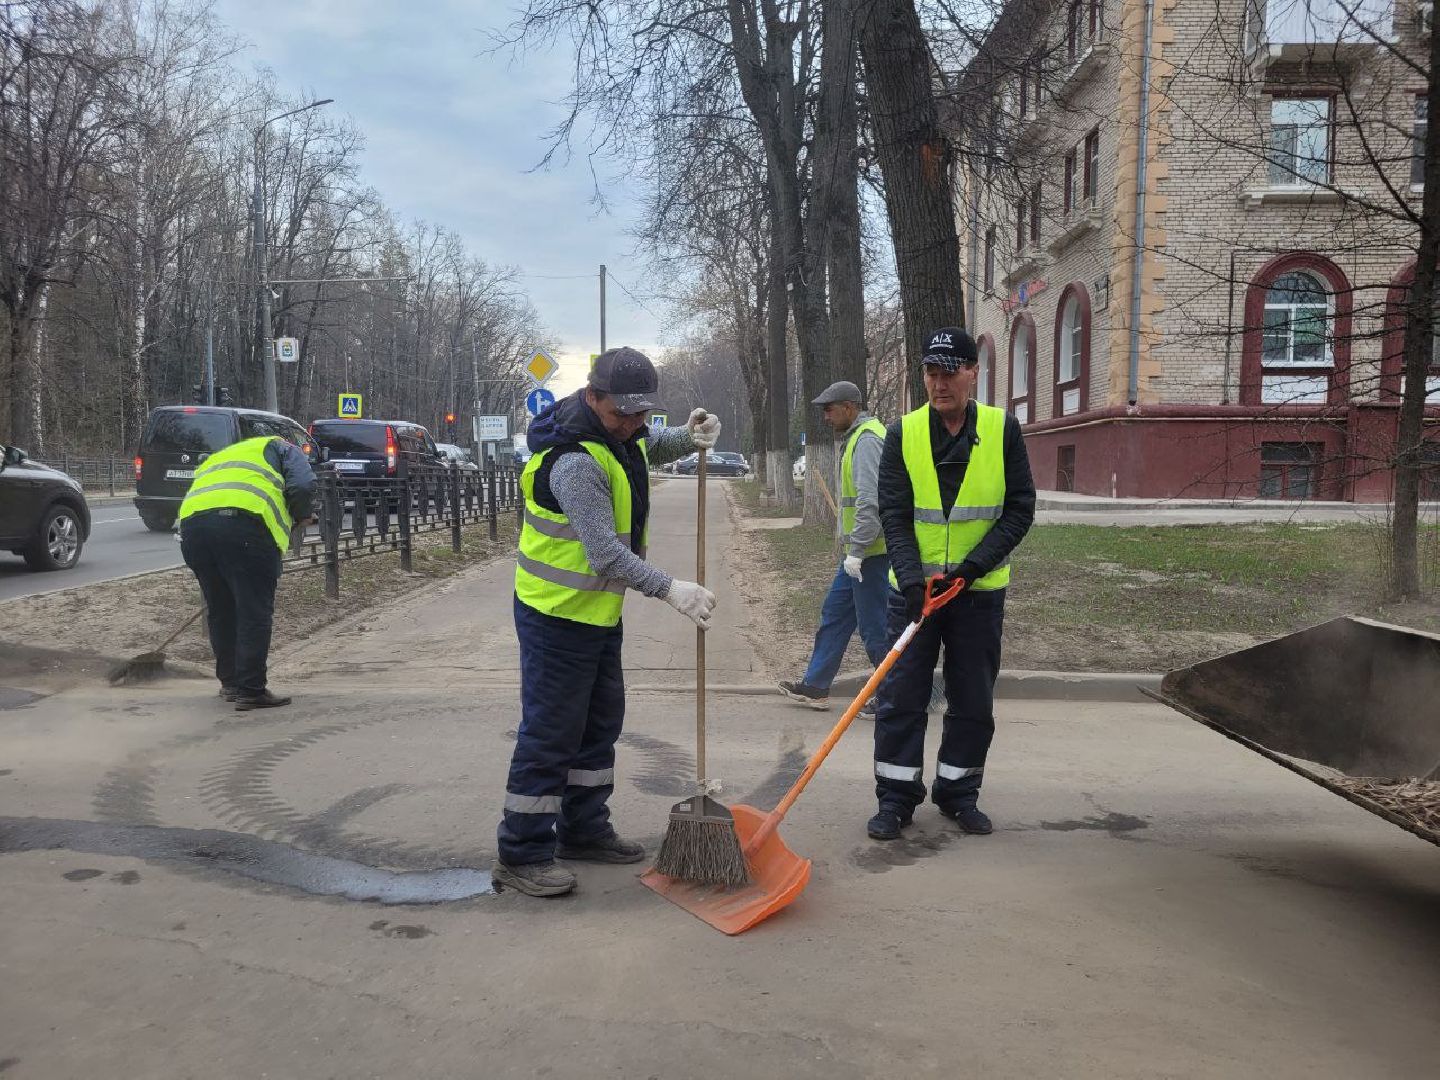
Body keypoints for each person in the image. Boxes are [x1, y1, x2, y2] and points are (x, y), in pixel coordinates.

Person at [496, 346, 722, 897]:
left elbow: (647, 445)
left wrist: (689, 433)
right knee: (552, 734)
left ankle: (584, 829)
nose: (633, 423)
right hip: (555, 615)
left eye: (643, 413)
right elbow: (604, 555)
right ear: (593, 397)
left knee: (598, 726)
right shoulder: (575, 463)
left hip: (596, 613)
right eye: (624, 413)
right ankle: (522, 853)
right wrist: (671, 590)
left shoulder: (618, 434)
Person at [867, 327, 1035, 841]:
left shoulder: (1003, 430)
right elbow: (894, 514)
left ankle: (959, 794)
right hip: (914, 595)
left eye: (950, 373)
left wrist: (970, 570)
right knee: (901, 698)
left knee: (972, 700)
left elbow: (1019, 510)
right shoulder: (903, 432)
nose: (939, 384)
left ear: (972, 373)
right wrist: (912, 582)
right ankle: (895, 799)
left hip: (976, 595)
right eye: (931, 374)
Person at [177, 431, 316, 711]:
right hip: (244, 528)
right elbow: (303, 485)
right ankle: (251, 689)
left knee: (220, 609)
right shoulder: (282, 447)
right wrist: (303, 514)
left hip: (193, 530)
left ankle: (230, 683)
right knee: (253, 610)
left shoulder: (222, 456)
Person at [778, 381, 889, 716]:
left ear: (849, 407)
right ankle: (816, 686)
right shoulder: (857, 438)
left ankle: (895, 694)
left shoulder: (868, 441)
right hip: (857, 557)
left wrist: (857, 550)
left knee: (875, 628)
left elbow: (870, 502)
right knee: (835, 615)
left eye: (829, 410)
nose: (825, 417)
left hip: (871, 556)